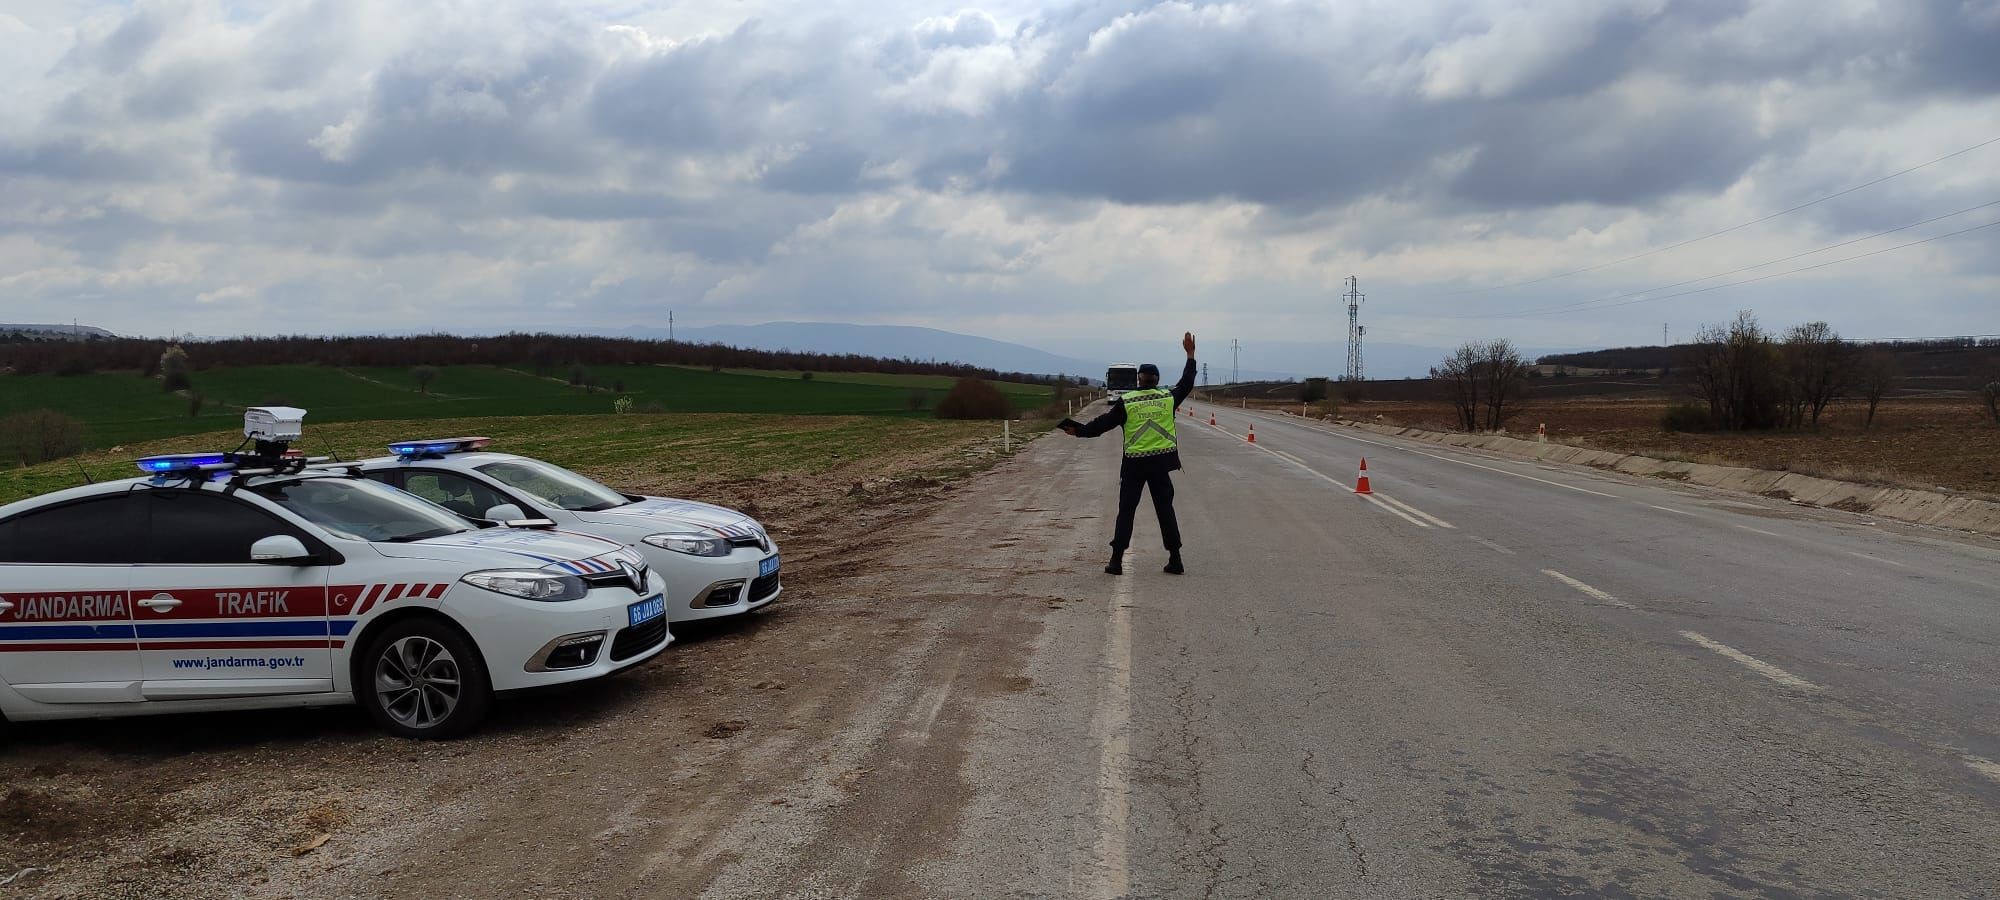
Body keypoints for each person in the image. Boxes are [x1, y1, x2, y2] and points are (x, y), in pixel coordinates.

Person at [1061, 332, 1197, 575]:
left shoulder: (1127, 401)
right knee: (1165, 511)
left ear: (1138, 379)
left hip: (1134, 465)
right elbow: (1186, 383)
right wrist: (1190, 355)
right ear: (1157, 380)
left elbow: (1102, 424)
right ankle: (1175, 559)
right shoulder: (1168, 398)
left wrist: (1079, 431)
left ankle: (1116, 561)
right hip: (1160, 464)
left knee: (1126, 511)